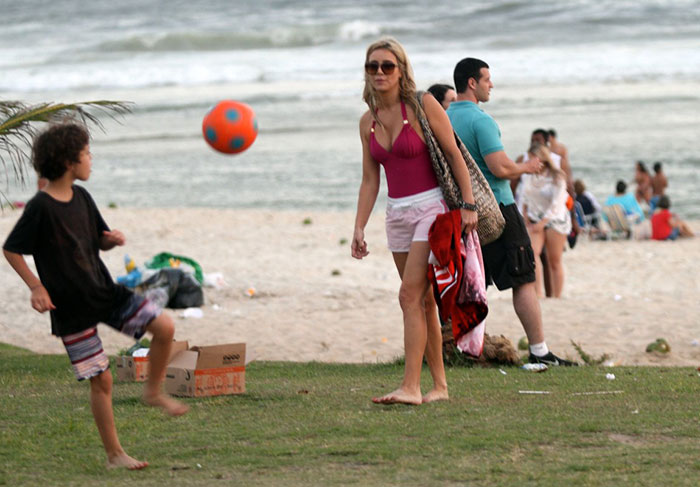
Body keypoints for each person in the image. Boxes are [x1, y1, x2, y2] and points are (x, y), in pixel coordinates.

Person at [2, 123, 188, 470]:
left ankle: (153, 392)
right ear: (68, 161)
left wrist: (110, 239)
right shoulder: (40, 207)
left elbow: (96, 238)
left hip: (105, 293)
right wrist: (36, 286)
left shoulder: (83, 198)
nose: (91, 160)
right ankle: (115, 455)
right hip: (70, 309)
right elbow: (11, 250)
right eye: (87, 154)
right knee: (102, 379)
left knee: (164, 325)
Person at [351, 37, 478, 405]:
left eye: (387, 66)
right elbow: (370, 179)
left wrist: (467, 205)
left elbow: (454, 155)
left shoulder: (422, 105)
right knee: (423, 303)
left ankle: (410, 387)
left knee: (408, 295)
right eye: (372, 66)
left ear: (401, 70)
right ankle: (440, 386)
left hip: (432, 210)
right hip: (397, 215)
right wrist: (359, 226)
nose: (379, 72)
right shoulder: (366, 122)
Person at [446, 57, 576, 366]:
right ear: (472, 83)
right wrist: (527, 167)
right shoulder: (481, 120)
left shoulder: (445, 117)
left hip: (461, 212)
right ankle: (540, 351)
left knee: (474, 284)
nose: (492, 84)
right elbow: (500, 167)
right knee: (524, 280)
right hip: (499, 209)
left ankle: (469, 350)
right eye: (487, 79)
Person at [520, 144, 571, 298]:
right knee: (533, 254)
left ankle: (557, 295)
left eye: (531, 159)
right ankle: (538, 293)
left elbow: (557, 202)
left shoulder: (557, 176)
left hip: (555, 219)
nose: (528, 162)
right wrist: (526, 216)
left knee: (554, 259)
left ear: (540, 159)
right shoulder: (529, 175)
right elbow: (524, 196)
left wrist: (544, 222)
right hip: (534, 217)